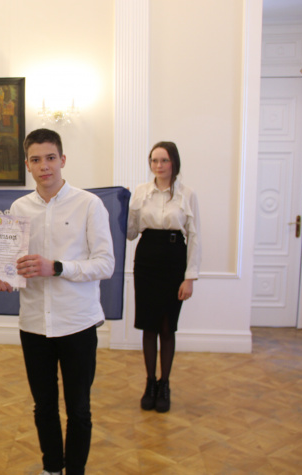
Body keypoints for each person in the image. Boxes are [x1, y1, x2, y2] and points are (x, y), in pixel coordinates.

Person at [0, 128, 115, 475]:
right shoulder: (19, 208)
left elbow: (105, 264)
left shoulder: (89, 204)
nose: (44, 166)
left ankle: (74, 470)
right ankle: (51, 468)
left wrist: (57, 267)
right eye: (36, 160)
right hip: (33, 323)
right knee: (43, 406)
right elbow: (12, 264)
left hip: (77, 322)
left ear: (62, 160)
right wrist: (1, 277)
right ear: (27, 165)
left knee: (79, 409)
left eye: (50, 158)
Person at [127, 141, 201, 413]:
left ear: (174, 163)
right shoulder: (140, 192)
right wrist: (125, 209)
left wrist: (189, 277)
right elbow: (131, 233)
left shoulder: (187, 194)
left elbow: (195, 236)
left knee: (168, 327)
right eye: (154, 160)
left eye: (164, 160)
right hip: (147, 259)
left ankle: (165, 384)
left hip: (174, 261)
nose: (158, 166)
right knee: (149, 326)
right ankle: (150, 383)